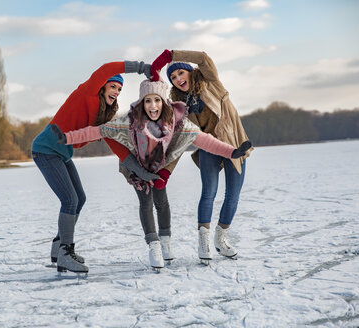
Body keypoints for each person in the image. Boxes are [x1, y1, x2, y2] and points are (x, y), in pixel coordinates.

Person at [55, 79, 251, 269]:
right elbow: (99, 131)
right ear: (142, 103)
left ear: (164, 102)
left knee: (162, 202)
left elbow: (204, 140)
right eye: (147, 100)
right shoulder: (130, 122)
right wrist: (67, 138)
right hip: (137, 166)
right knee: (146, 202)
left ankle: (165, 241)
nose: (152, 105)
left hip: (159, 166)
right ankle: (154, 245)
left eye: (156, 100)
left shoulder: (177, 122)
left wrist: (231, 152)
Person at [31, 61, 158, 274]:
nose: (116, 91)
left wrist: (141, 171)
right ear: (102, 86)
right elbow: (107, 69)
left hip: (61, 153)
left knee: (79, 198)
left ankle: (59, 246)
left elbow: (117, 146)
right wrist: (140, 67)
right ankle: (65, 251)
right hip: (46, 149)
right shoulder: (88, 93)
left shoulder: (103, 118)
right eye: (113, 86)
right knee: (69, 199)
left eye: (119, 89)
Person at [151, 49, 253, 262]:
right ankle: (203, 242)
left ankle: (221, 239)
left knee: (233, 195)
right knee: (209, 192)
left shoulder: (211, 82)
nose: (178, 79)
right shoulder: (181, 106)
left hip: (235, 144)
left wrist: (171, 56)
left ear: (190, 72)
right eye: (173, 77)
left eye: (180, 73)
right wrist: (165, 170)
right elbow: (181, 138)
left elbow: (204, 59)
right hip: (208, 148)